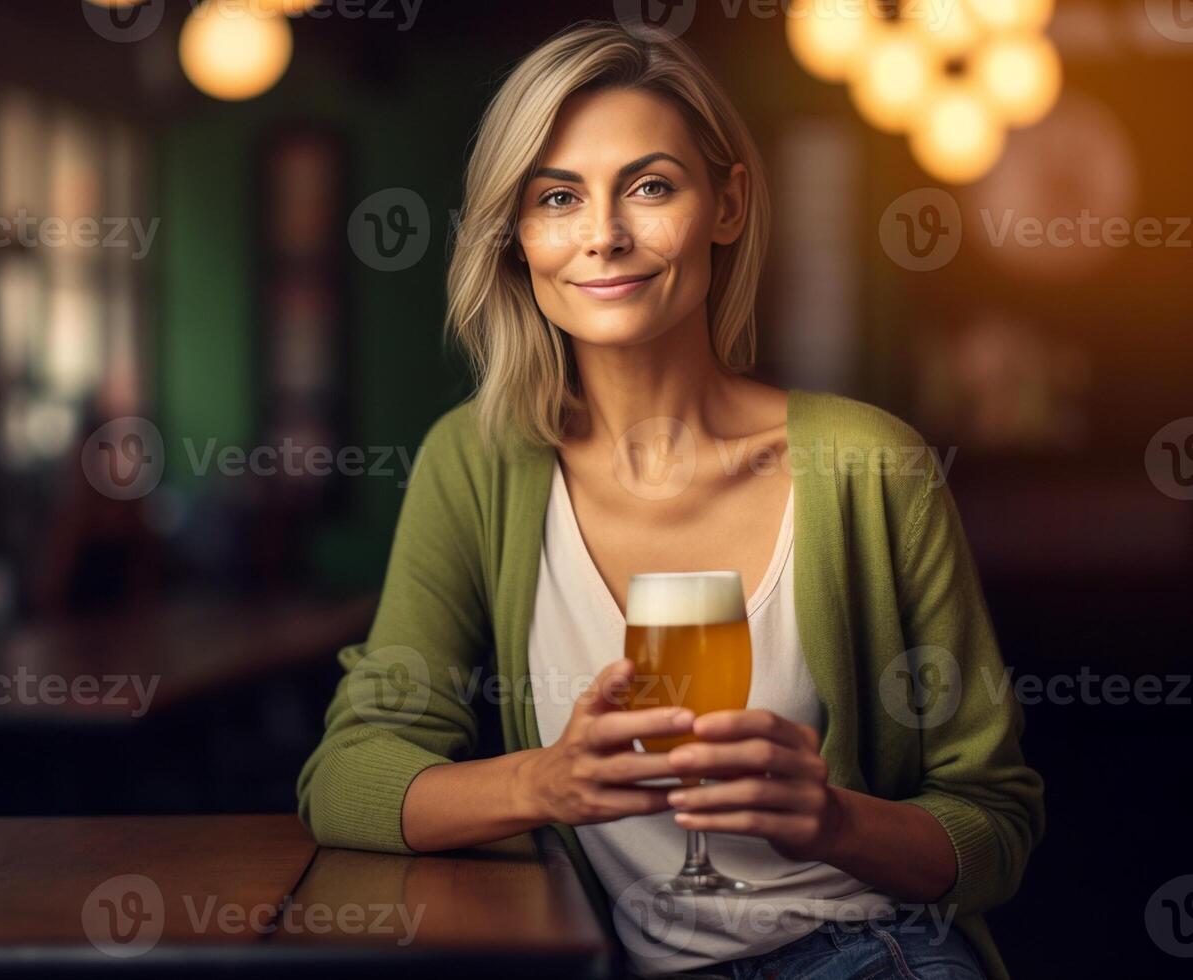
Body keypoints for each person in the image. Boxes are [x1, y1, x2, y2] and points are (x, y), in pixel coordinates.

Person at [297, 20, 1044, 980]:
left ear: (726, 204)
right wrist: (543, 781)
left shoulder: (871, 464)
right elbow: (349, 777)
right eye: (557, 198)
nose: (604, 235)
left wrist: (833, 819)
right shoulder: (477, 462)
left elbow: (996, 824)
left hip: (871, 950)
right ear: (517, 238)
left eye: (650, 186)